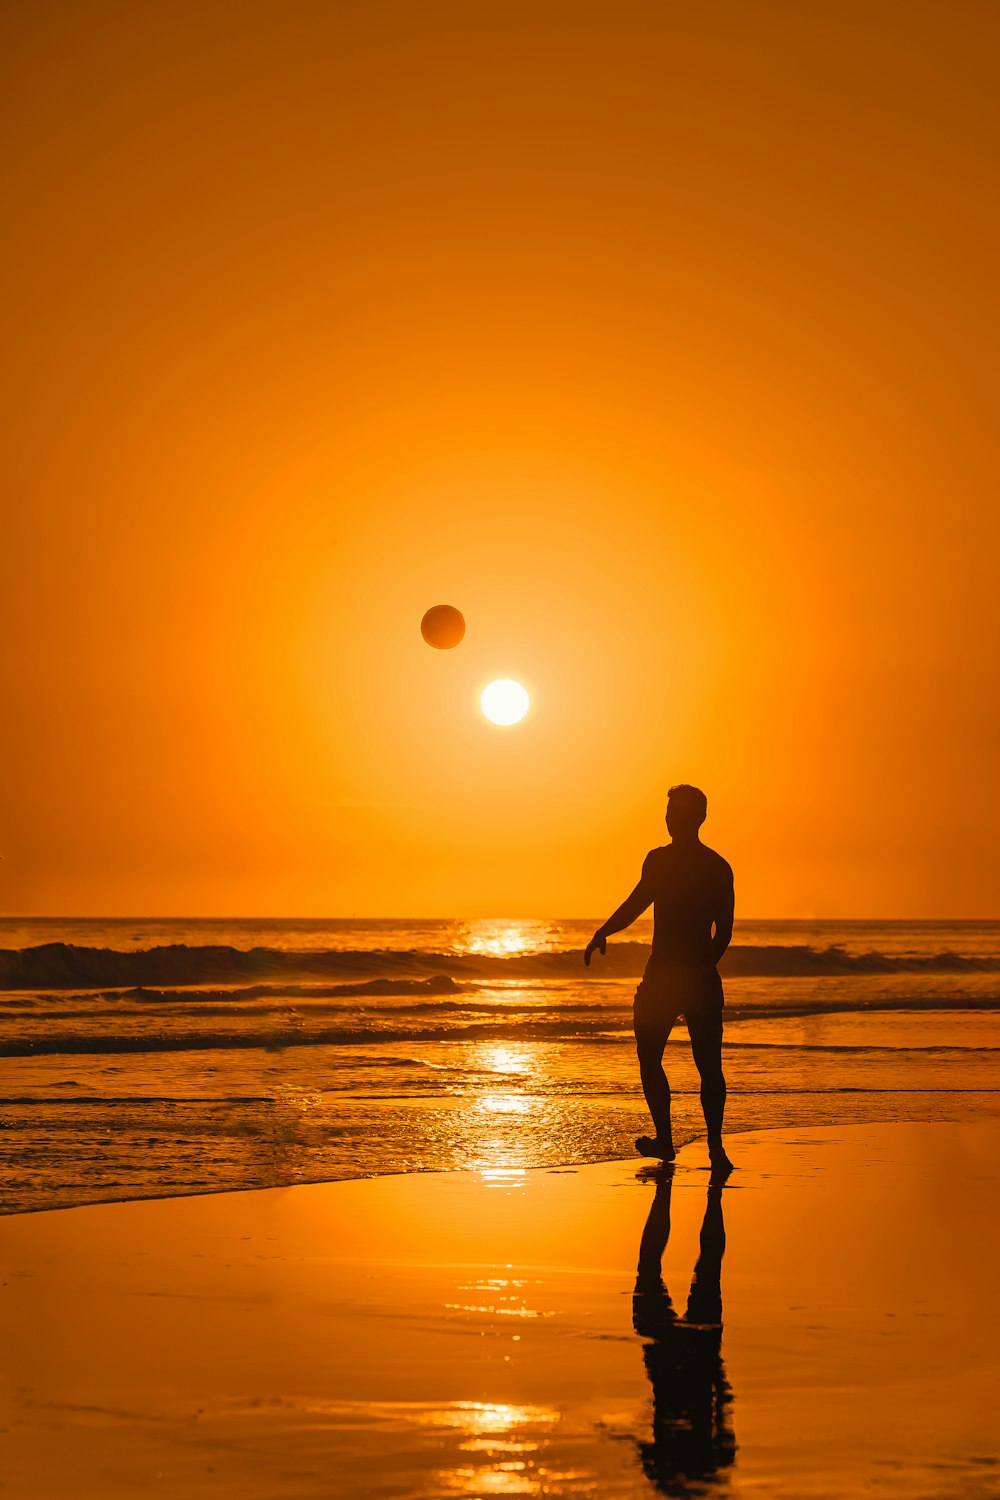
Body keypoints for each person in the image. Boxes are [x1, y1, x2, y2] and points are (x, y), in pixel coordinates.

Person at [584, 784, 734, 1171]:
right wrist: (605, 930)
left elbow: (725, 928)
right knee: (667, 1059)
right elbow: (637, 902)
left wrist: (701, 967)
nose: (671, 819)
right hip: (683, 977)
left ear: (699, 818)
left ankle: (691, 1143)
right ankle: (693, 1143)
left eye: (678, 813)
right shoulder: (699, 864)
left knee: (692, 1063)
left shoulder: (710, 866)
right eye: (669, 812)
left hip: (669, 976)